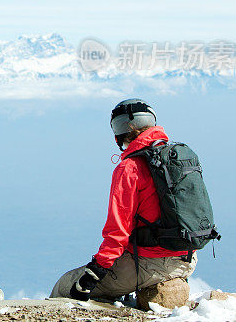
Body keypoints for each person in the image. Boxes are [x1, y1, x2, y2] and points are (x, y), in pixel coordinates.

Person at [50, 98, 197, 300]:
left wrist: (94, 274)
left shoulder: (130, 168)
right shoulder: (176, 157)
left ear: (120, 130)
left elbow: (117, 232)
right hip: (187, 258)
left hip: (153, 262)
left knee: (65, 285)